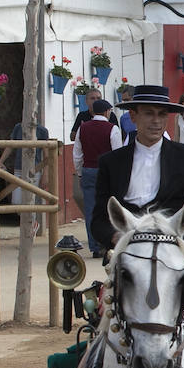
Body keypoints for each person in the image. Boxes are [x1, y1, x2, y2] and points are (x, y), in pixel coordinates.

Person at [90, 88, 184, 253]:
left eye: (162, 114)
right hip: (127, 252)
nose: (156, 121)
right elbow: (98, 221)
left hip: (171, 251)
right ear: (133, 116)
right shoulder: (111, 162)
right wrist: (117, 237)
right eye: (148, 114)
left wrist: (176, 231)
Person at [72, 100, 125, 257]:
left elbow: (77, 154)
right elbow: (117, 155)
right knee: (111, 208)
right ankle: (108, 242)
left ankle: (95, 246)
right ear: (107, 112)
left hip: (88, 170)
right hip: (107, 172)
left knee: (90, 210)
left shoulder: (83, 128)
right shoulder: (112, 129)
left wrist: (80, 172)